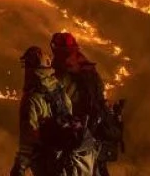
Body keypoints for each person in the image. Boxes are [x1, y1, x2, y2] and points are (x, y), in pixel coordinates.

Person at [12, 46, 91, 176]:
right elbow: (68, 115)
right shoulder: (58, 89)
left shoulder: (32, 99)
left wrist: (19, 167)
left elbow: (28, 138)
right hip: (67, 160)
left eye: (27, 66)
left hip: (47, 161)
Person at [50, 32, 117, 176]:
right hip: (95, 131)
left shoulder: (62, 73)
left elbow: (59, 102)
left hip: (77, 133)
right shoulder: (87, 68)